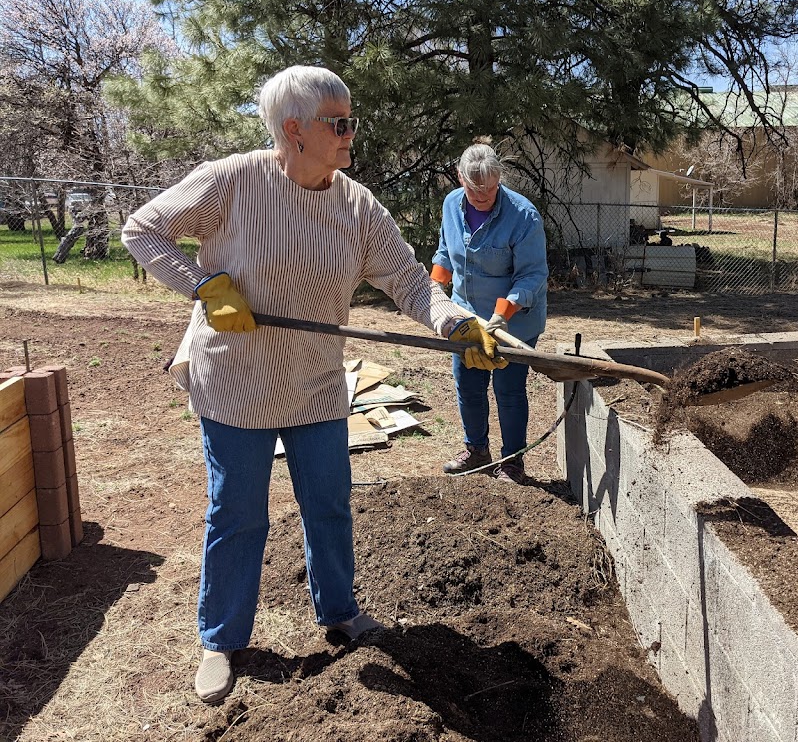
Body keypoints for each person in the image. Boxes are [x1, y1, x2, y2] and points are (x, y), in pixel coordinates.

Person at [121, 66, 504, 704]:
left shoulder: (356, 206)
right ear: (294, 130)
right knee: (238, 513)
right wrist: (204, 286)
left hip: (315, 383)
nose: (352, 134)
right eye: (340, 123)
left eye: (352, 120)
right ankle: (220, 638)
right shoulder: (232, 181)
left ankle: (340, 610)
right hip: (236, 383)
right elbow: (142, 230)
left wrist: (456, 322)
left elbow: (408, 281)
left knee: (327, 504)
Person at [430, 142, 548, 484]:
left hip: (513, 322)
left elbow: (533, 275)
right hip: (465, 317)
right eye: (473, 190)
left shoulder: (523, 216)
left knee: (508, 391)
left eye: (490, 189)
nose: (482, 197)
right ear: (459, 178)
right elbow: (445, 252)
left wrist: (503, 312)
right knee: (468, 385)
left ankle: (512, 464)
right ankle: (476, 451)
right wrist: (436, 285)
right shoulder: (452, 203)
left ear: (499, 180)